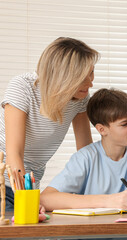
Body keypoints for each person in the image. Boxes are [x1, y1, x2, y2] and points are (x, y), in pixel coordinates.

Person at [0, 37, 100, 211]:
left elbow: (84, 151)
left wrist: (98, 196)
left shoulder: (80, 99)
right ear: (63, 76)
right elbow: (13, 154)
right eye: (82, 77)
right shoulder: (23, 87)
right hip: (4, 181)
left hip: (29, 185)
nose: (90, 82)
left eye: (91, 72)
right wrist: (28, 200)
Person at [40, 88, 127, 240]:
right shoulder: (85, 157)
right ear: (102, 129)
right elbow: (45, 198)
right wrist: (109, 201)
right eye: (125, 124)